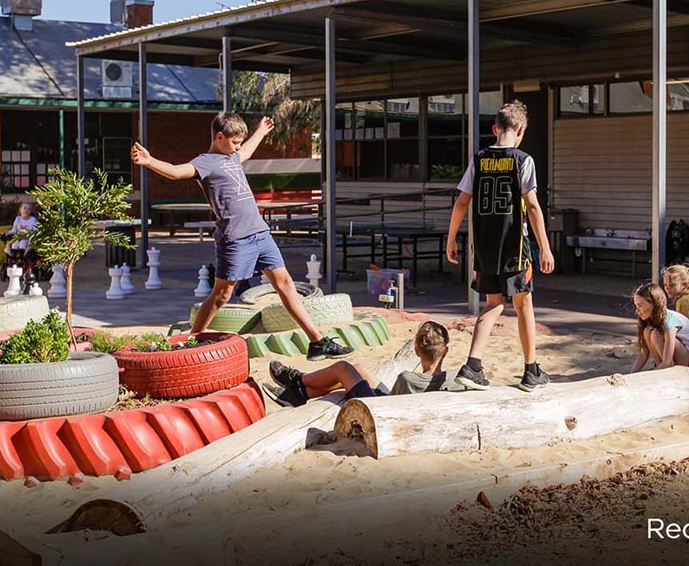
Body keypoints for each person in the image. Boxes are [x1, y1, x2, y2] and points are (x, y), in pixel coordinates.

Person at [131, 112, 351, 361]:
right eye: (234, 141)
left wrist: (261, 131)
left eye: (239, 143)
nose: (237, 147)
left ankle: (317, 341)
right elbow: (175, 171)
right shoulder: (206, 162)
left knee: (286, 284)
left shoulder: (232, 156)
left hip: (260, 232)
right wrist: (150, 162)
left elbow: (246, 151)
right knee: (222, 295)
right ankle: (193, 340)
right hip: (235, 239)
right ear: (219, 136)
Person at [444, 100, 555, 392]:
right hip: (514, 246)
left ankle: (473, 365)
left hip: (485, 246)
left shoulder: (478, 159)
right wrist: (544, 246)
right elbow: (532, 206)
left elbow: (461, 201)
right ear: (520, 130)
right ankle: (531, 370)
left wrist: (451, 237)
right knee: (524, 303)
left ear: (495, 129)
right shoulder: (522, 160)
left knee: (493, 304)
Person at [263, 321, 460, 406]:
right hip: (390, 402)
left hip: (380, 411)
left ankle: (297, 381)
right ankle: (300, 393)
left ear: (416, 351)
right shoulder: (451, 379)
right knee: (360, 369)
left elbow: (392, 408)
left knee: (343, 368)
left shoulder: (407, 379)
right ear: (446, 351)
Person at [630, 281, 689, 372]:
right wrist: (632, 374)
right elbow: (644, 353)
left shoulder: (669, 322)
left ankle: (666, 370)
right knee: (647, 331)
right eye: (636, 305)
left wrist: (651, 376)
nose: (637, 310)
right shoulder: (648, 320)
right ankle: (661, 367)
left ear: (653, 304)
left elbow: (668, 360)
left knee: (655, 334)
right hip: (679, 354)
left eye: (640, 306)